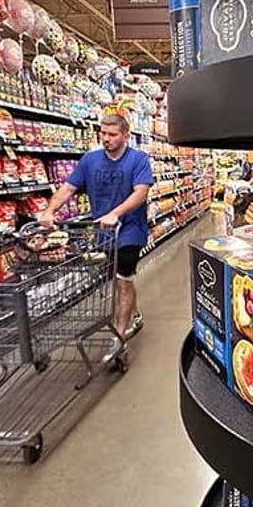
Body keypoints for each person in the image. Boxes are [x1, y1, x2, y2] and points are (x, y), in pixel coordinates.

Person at [38, 113, 153, 355]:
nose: (106, 139)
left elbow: (141, 192)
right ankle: (133, 313)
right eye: (103, 134)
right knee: (120, 278)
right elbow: (68, 188)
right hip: (102, 232)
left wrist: (116, 213)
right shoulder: (90, 160)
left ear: (125, 136)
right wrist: (50, 210)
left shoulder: (138, 159)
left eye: (112, 134)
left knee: (122, 279)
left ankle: (119, 338)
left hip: (130, 229)